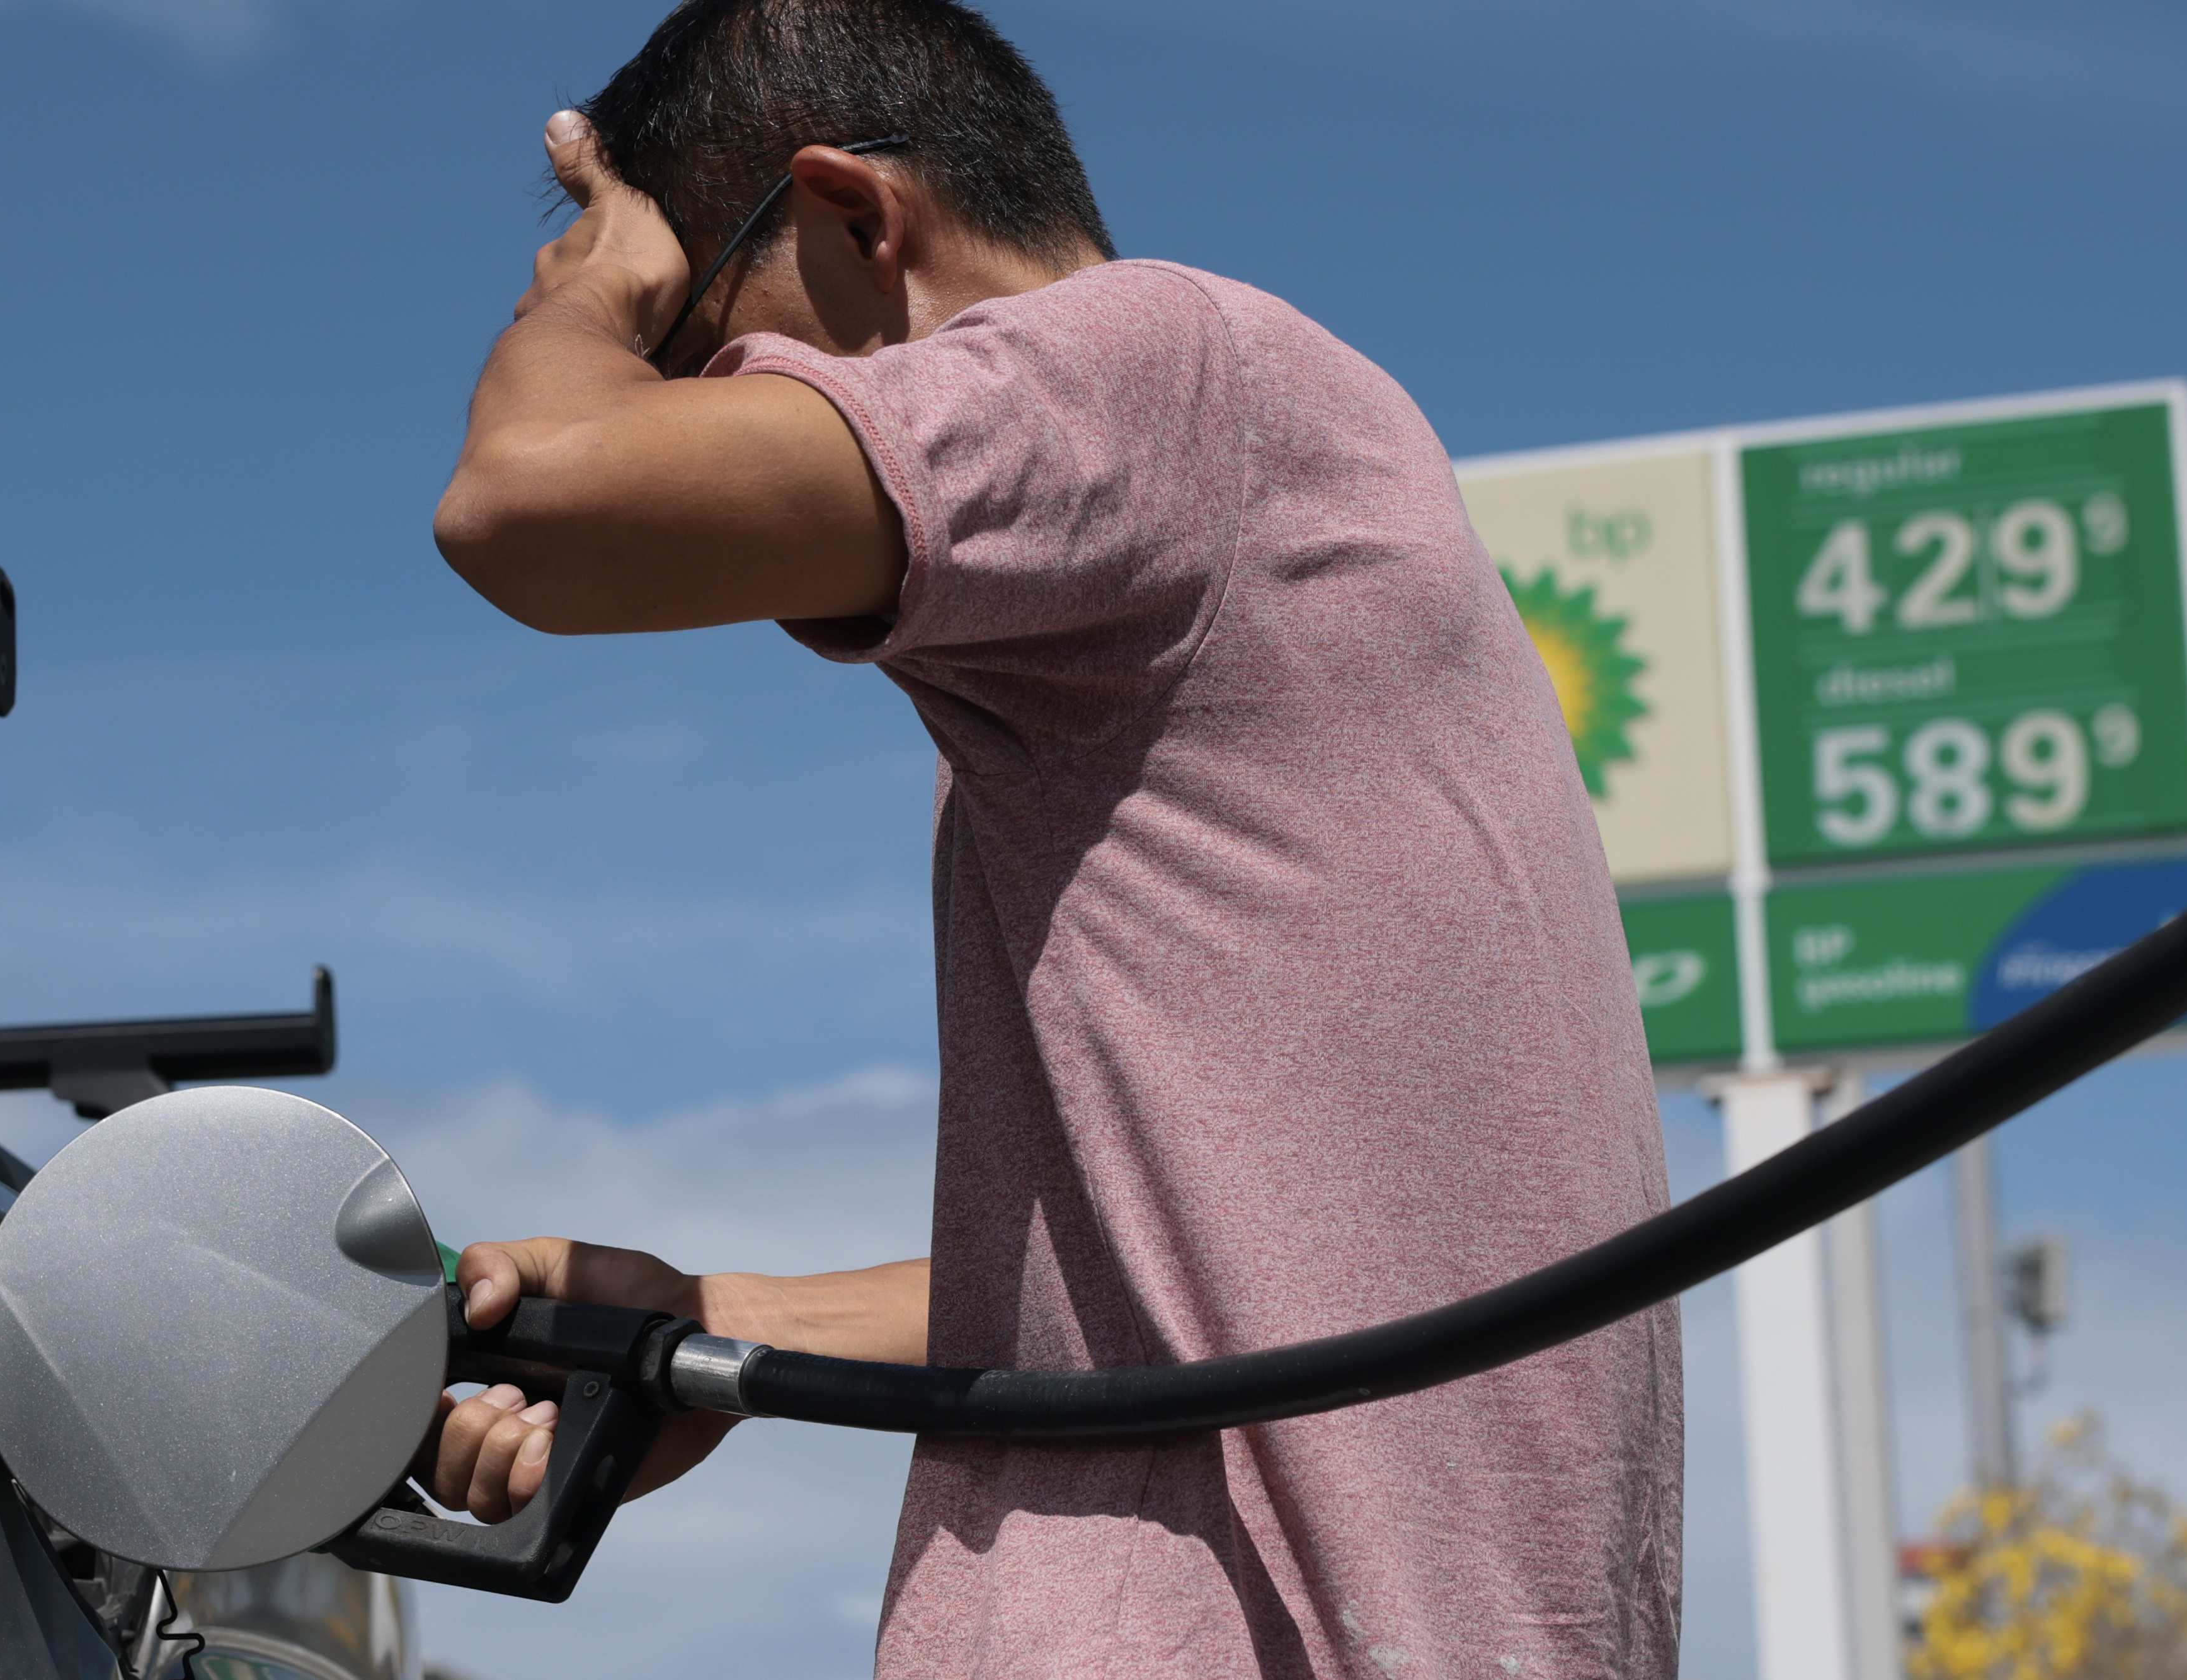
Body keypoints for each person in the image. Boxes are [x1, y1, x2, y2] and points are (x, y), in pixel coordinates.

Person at [420, 1, 1681, 1673]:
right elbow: (1236, 1281)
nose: (701, 411)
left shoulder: (1152, 363)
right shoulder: (1220, 552)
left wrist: (588, 291)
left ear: (864, 221)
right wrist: (725, 1326)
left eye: (706, 349)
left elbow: (537, 497)